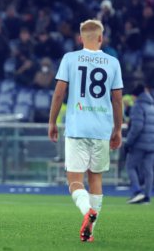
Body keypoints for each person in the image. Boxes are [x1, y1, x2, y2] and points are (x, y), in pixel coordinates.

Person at [48, 19, 123, 242]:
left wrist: (52, 122)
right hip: (101, 128)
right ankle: (91, 231)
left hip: (77, 127)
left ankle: (86, 213)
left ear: (80, 38)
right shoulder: (113, 62)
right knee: (96, 178)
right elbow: (117, 100)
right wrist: (117, 129)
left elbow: (59, 93)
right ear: (101, 38)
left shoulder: (70, 59)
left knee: (74, 180)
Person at [125, 83, 154, 204]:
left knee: (130, 166)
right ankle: (147, 196)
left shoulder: (138, 106)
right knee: (148, 170)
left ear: (136, 96)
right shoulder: (151, 106)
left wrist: (128, 142)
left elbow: (136, 127)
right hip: (151, 144)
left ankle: (137, 192)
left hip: (139, 144)